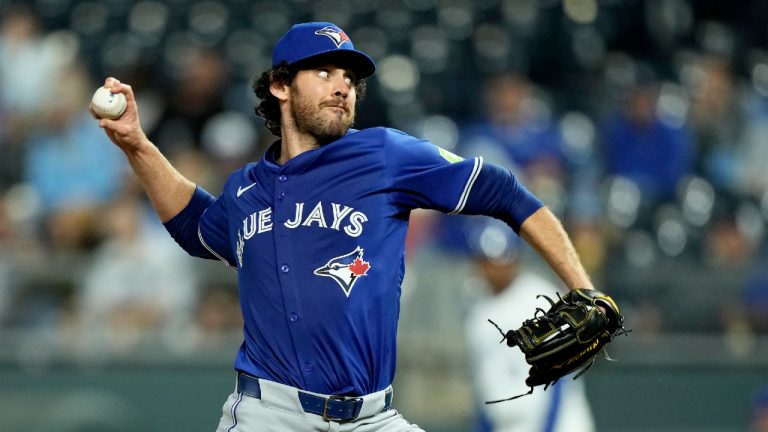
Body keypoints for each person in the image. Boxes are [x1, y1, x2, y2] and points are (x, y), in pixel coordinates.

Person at [92, 21, 599, 431]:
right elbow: (196, 226)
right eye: (325, 71)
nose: (343, 86)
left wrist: (585, 291)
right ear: (280, 85)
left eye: (350, 79)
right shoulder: (246, 189)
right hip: (268, 417)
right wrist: (136, 143)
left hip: (372, 418)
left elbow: (507, 193)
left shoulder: (384, 154)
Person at [462, 218, 595, 432]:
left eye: (499, 259)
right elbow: (483, 387)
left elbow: (559, 377)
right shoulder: (478, 311)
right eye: (485, 260)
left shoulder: (540, 300)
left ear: (515, 258)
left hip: (559, 423)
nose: (491, 268)